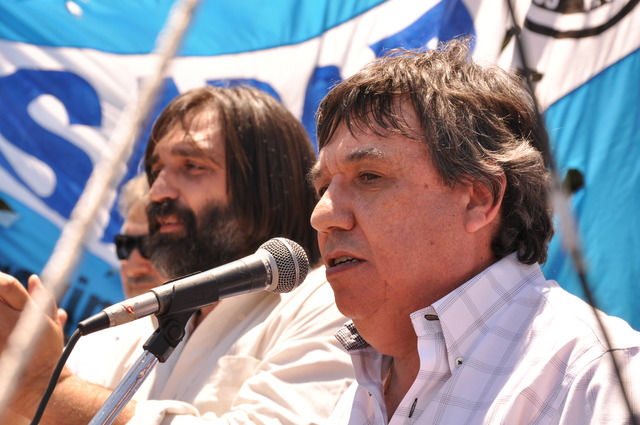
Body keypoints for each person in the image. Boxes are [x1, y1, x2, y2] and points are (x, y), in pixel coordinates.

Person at [308, 38, 640, 424]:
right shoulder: (356, 392)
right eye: (322, 187)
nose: (321, 215)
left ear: (479, 199)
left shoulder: (599, 379)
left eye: (369, 176)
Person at [0, 85, 354, 424]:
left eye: (192, 166)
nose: (157, 192)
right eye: (156, 171)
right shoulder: (126, 333)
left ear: (266, 186)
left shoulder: (331, 304)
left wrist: (44, 386)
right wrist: (14, 369)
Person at [64, 174, 166, 381]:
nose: (134, 267)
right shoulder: (90, 341)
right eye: (125, 245)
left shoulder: (217, 348)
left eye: (151, 247)